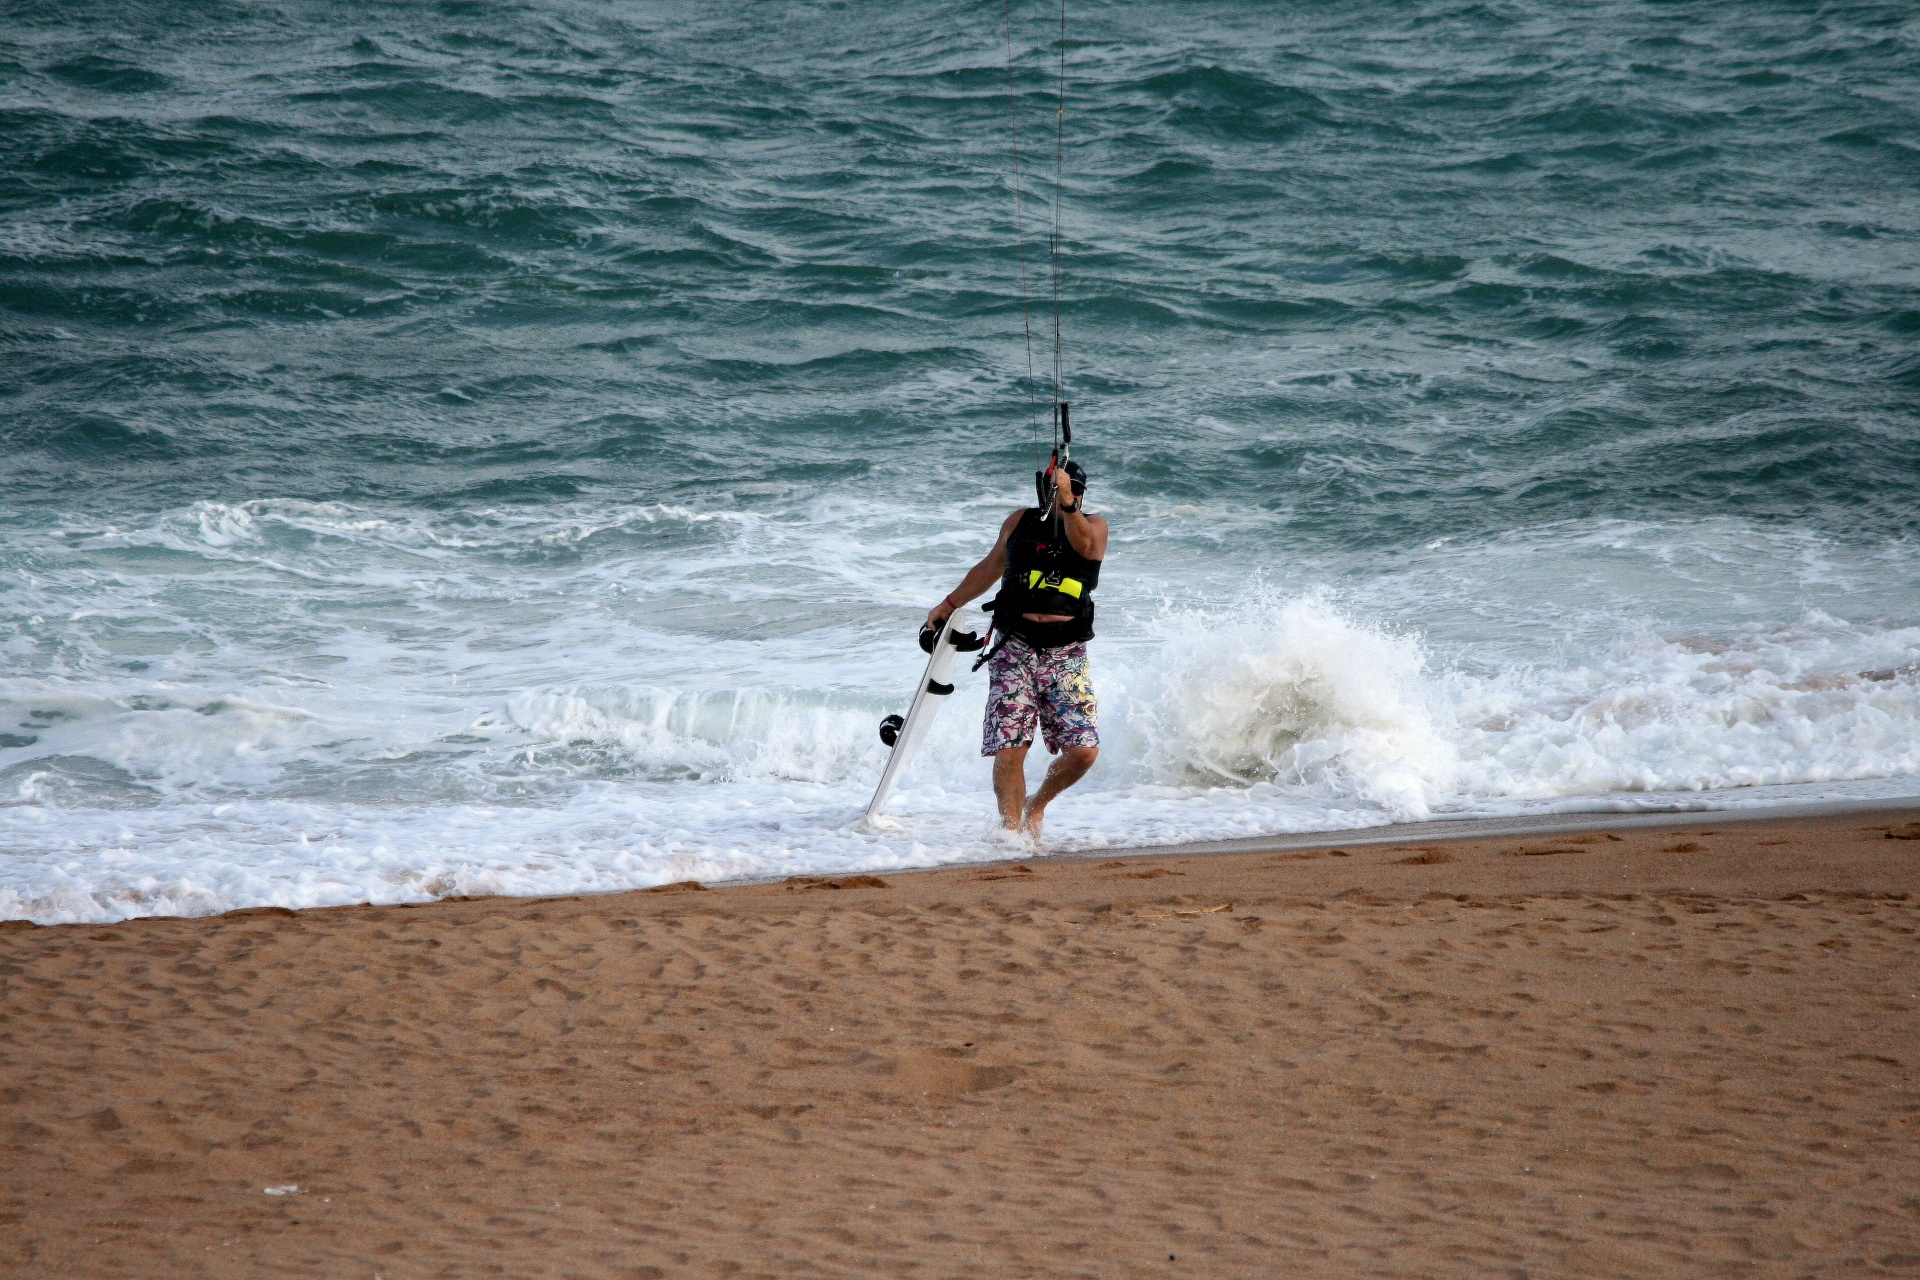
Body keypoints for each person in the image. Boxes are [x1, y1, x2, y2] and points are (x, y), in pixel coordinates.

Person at [926, 459, 1108, 840]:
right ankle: (1012, 839)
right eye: (1052, 489)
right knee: (1010, 751)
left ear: (1079, 492)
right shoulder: (1019, 521)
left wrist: (1068, 503)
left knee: (1084, 753)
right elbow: (991, 566)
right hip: (1015, 648)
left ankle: (1037, 804)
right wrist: (949, 603)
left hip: (1067, 654)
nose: (1056, 496)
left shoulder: (1093, 525)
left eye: (1067, 489)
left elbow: (1086, 546)